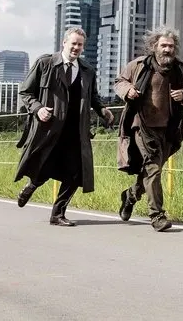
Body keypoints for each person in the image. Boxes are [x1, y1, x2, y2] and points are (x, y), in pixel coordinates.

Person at [14, 26, 114, 226]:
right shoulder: (45, 63)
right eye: (73, 43)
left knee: (76, 173)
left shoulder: (87, 70)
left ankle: (58, 214)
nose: (76, 48)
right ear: (64, 43)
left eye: (80, 45)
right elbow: (25, 92)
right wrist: (38, 109)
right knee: (45, 164)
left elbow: (93, 97)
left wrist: (103, 110)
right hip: (49, 129)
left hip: (76, 131)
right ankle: (31, 186)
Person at [113, 26, 183, 232]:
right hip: (142, 126)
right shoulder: (139, 65)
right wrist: (128, 90)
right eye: (163, 46)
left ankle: (130, 196)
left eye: (171, 46)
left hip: (169, 129)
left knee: (152, 171)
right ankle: (157, 216)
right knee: (153, 169)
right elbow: (119, 82)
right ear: (154, 46)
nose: (167, 50)